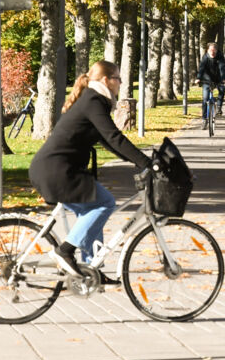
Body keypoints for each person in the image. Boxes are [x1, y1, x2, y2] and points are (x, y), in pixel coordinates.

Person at [28, 60, 151, 277]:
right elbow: (113, 136)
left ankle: (91, 269)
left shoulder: (93, 100)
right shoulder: (93, 100)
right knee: (104, 203)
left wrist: (138, 161)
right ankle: (65, 252)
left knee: (92, 213)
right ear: (106, 80)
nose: (120, 82)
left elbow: (108, 141)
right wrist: (146, 163)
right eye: (117, 78)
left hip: (56, 169)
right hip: (58, 171)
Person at [195, 42, 225, 118]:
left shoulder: (220, 57)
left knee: (222, 89)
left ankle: (219, 106)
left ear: (216, 50)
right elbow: (201, 68)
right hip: (207, 80)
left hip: (218, 78)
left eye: (214, 50)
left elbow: (222, 68)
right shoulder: (205, 57)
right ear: (207, 50)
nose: (212, 52)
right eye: (210, 50)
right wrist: (198, 78)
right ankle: (204, 119)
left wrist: (224, 79)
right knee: (205, 99)